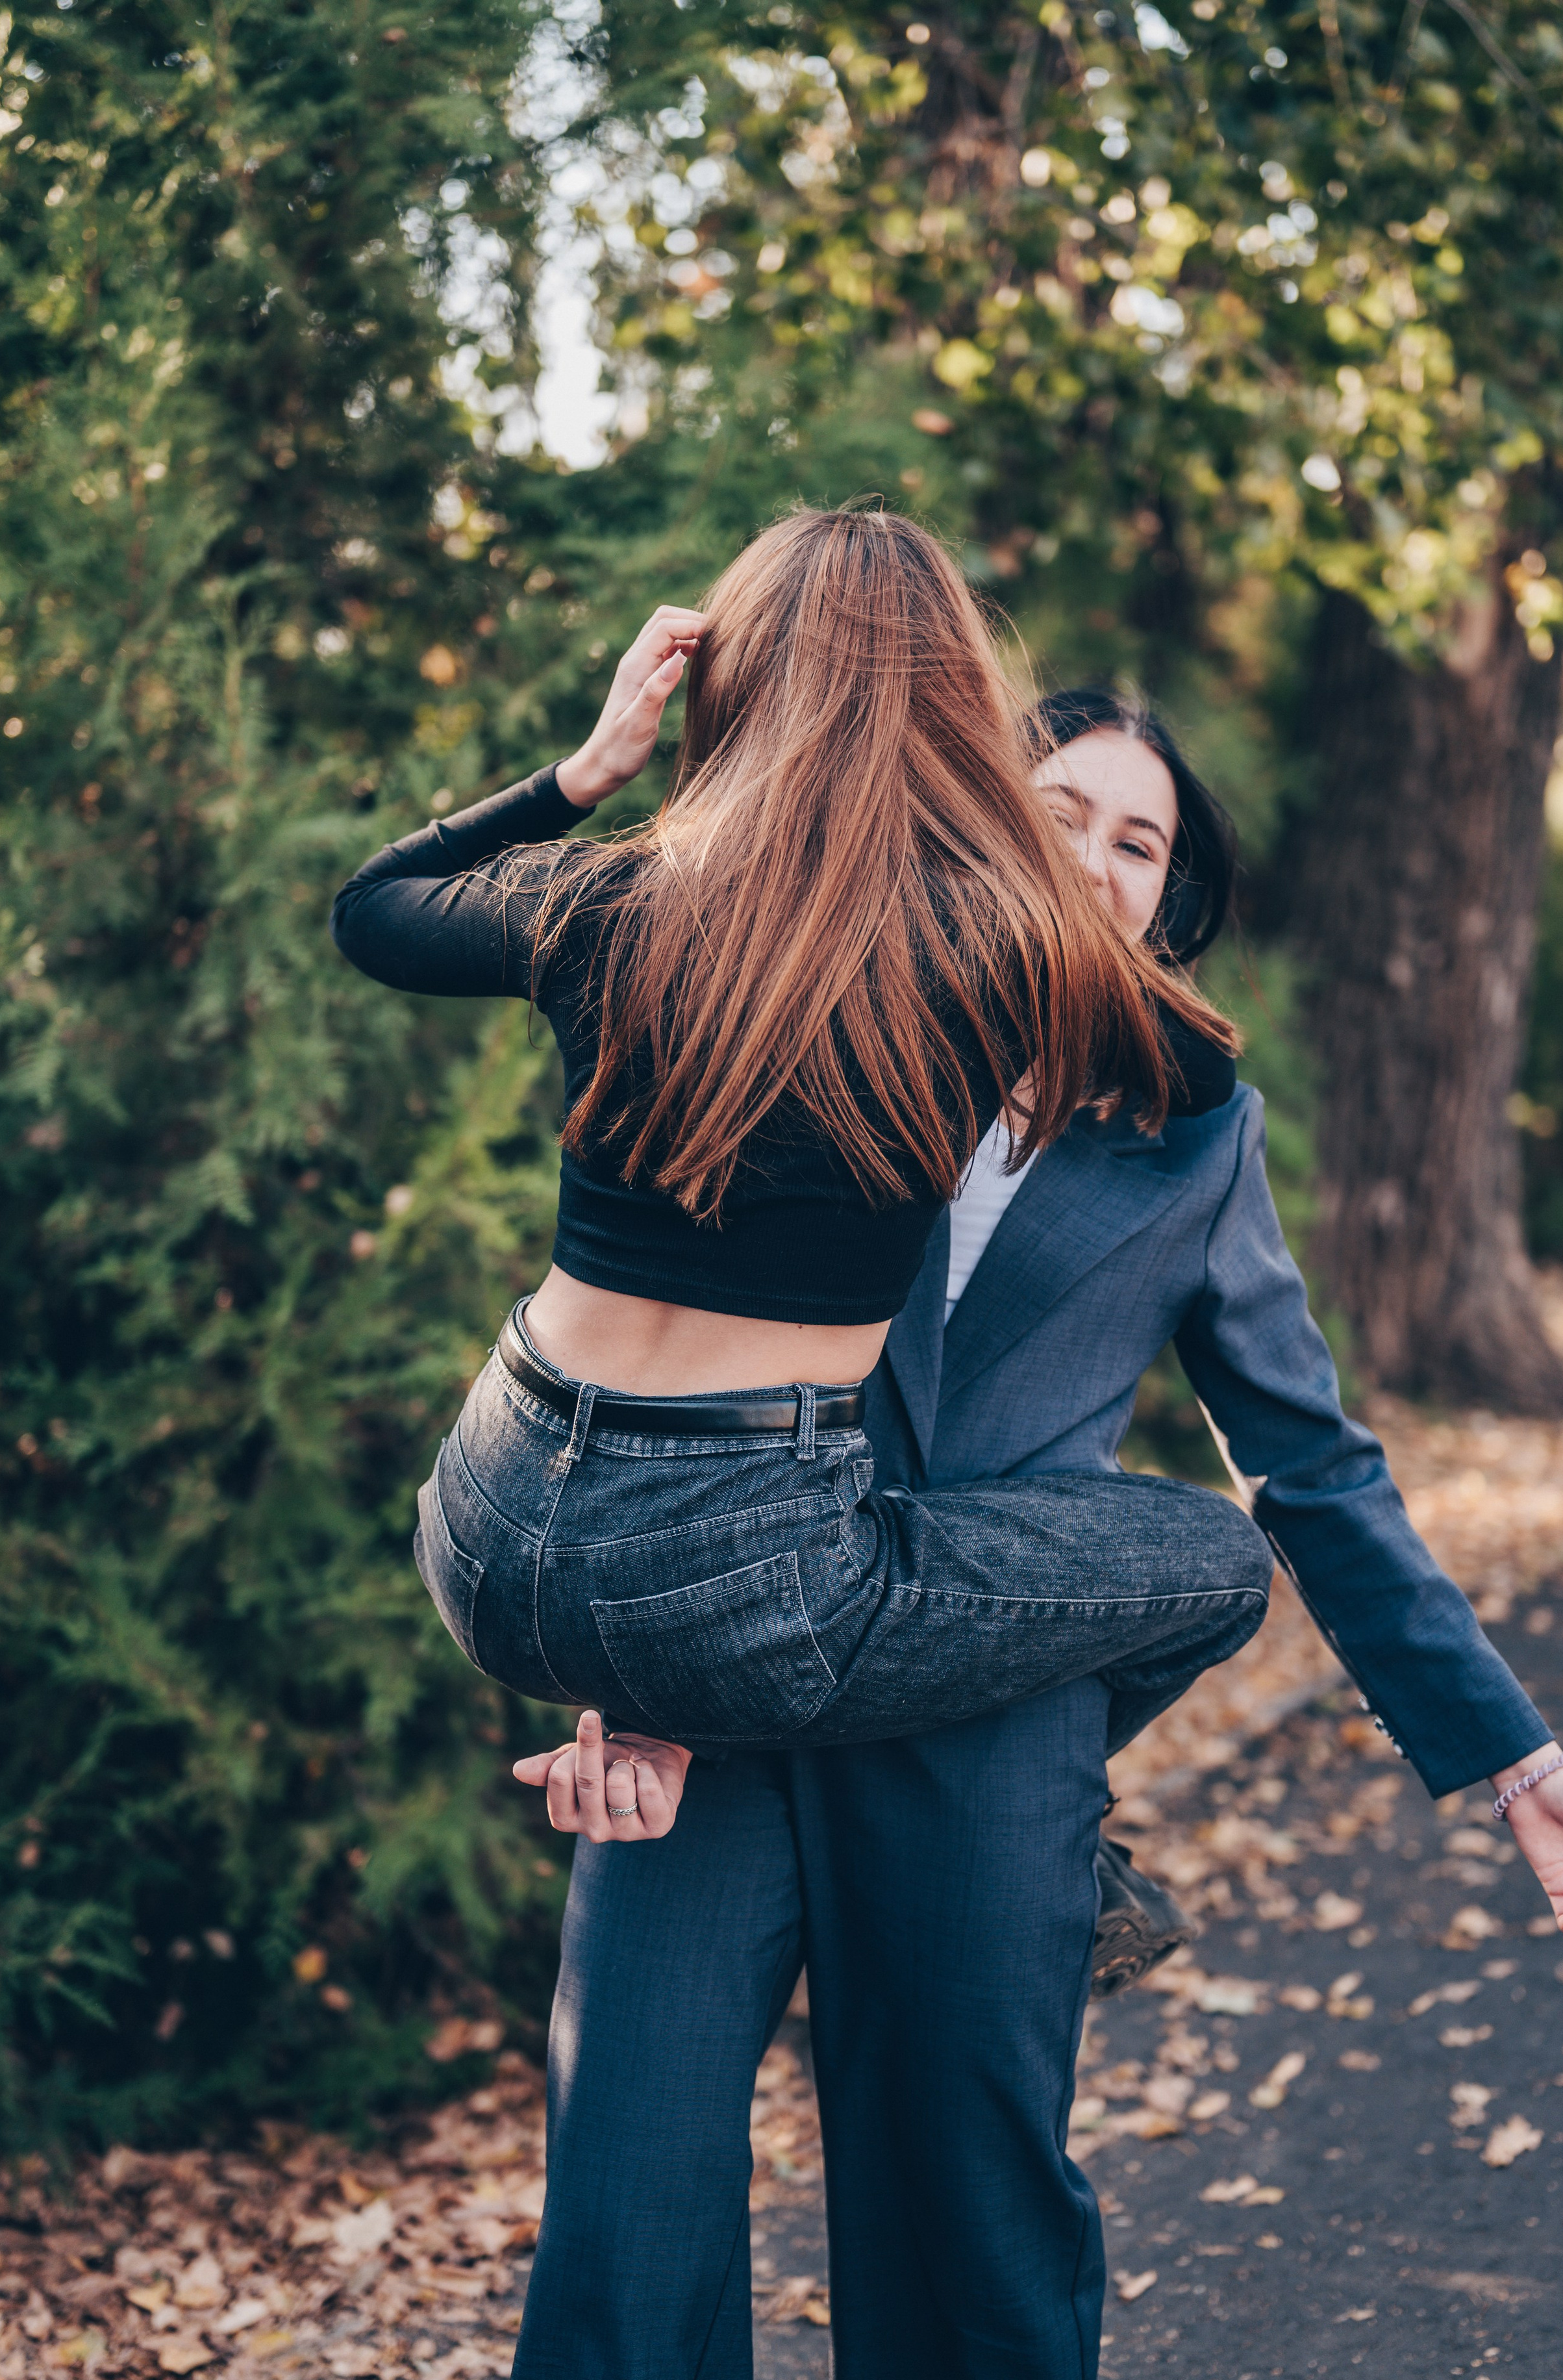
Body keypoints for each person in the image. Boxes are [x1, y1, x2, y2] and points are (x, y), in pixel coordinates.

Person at [471, 677, 1563, 2380]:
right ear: (966, 823)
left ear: (1165, 904)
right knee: (623, 2223)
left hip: (985, 1736)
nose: (1097, 861)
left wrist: (1514, 1762)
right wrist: (613, 1685)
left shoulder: (1196, 1134)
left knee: (976, 2246)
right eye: (1059, 811)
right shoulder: (800, 1027)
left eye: (1142, 841)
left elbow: (1312, 1472)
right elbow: (632, 1373)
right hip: (717, 1704)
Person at [332, 506, 1278, 1788]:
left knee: (706, 1593)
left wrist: (585, 772)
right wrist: (1017, 841)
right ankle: (1030, 1816)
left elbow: (372, 910)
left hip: (484, 1527)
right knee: (1214, 1558)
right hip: (736, 1574)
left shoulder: (604, 898)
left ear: (727, 685)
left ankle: (674, 1710)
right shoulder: (1008, 943)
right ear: (955, 711)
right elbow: (1197, 1065)